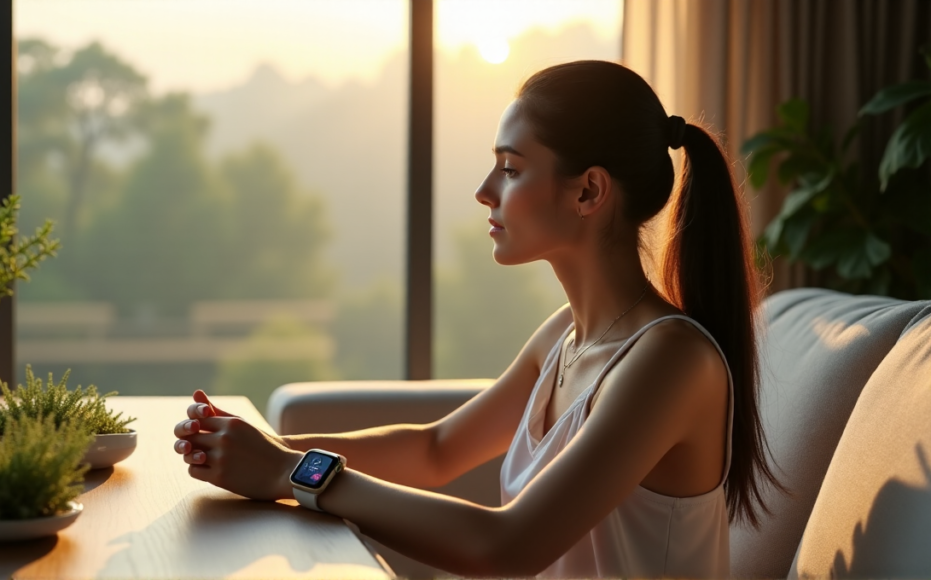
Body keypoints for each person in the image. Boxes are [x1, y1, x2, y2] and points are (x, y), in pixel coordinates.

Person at [172, 60, 780, 578]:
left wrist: (287, 470)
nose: (485, 190)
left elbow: (507, 546)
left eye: (512, 169)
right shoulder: (563, 338)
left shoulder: (671, 362)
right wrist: (250, 447)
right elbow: (436, 449)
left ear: (589, 192)